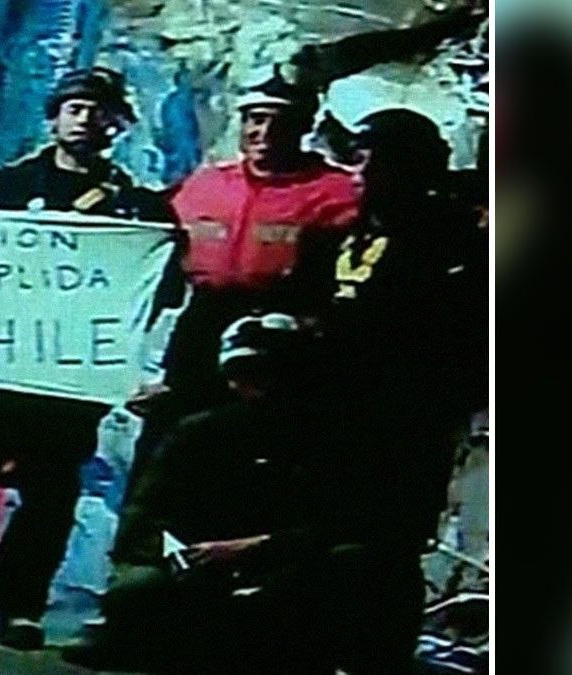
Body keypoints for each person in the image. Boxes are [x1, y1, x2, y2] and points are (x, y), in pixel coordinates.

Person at [0, 66, 175, 649]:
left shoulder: (138, 209)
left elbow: (163, 286)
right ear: (53, 117)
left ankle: (19, 608)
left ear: (117, 124)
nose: (85, 119)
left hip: (68, 377)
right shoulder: (1, 187)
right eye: (74, 107)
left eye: (98, 109)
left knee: (50, 494)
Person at [276, 108, 487, 673]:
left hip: (403, 421)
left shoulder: (455, 240)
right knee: (310, 539)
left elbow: (463, 337)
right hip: (323, 413)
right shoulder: (334, 237)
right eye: (356, 153)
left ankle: (376, 659)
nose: (360, 166)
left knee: (384, 550)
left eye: (375, 155)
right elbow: (299, 305)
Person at [127, 67, 359, 489]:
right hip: (202, 324)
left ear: (304, 127)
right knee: (167, 445)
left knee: (248, 455)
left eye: (279, 121)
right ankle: (143, 542)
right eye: (255, 119)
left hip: (281, 333)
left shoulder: (337, 192)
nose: (263, 132)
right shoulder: (205, 184)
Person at [66, 314, 329, 673]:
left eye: (264, 373)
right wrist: (178, 554)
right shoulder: (198, 434)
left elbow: (340, 521)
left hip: (286, 562)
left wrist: (259, 547)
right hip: (197, 561)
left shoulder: (327, 439)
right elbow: (146, 514)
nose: (249, 387)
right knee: (138, 589)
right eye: (242, 374)